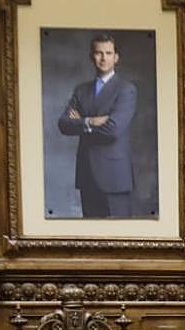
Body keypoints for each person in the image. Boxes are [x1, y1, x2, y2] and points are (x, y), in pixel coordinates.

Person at [57, 33, 137, 218]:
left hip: (115, 177)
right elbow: (63, 124)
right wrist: (90, 121)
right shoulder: (81, 90)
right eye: (98, 53)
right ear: (91, 56)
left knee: (120, 239)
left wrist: (80, 122)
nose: (103, 58)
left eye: (108, 53)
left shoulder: (126, 90)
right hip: (87, 175)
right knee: (91, 240)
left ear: (116, 57)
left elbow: (113, 130)